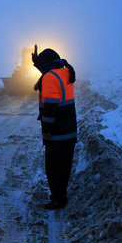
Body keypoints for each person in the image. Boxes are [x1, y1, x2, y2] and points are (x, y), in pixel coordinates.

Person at [32, 45, 77, 210]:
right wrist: (36, 63)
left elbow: (50, 106)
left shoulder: (49, 77)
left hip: (57, 133)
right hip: (69, 130)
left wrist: (47, 129)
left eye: (40, 65)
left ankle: (57, 200)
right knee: (64, 168)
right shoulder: (64, 71)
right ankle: (61, 196)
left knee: (54, 169)